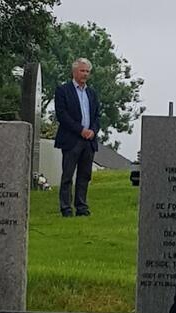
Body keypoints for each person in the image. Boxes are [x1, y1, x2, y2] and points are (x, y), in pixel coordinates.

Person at [54, 58, 100, 217]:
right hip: (71, 139)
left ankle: (81, 207)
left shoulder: (91, 93)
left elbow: (97, 116)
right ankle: (66, 208)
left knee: (84, 176)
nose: (85, 74)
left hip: (89, 141)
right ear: (74, 72)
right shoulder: (63, 90)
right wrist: (80, 130)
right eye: (82, 71)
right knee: (67, 175)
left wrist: (92, 131)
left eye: (87, 71)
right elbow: (62, 115)